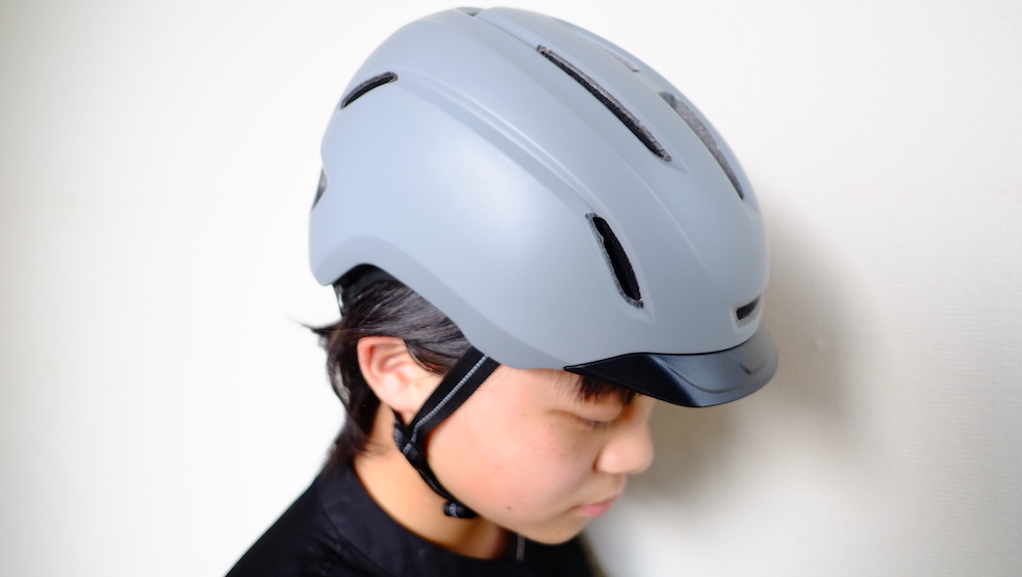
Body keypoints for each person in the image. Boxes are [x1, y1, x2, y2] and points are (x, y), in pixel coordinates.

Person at [227, 7, 777, 577]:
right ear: (400, 370)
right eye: (592, 416)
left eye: (644, 406)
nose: (638, 455)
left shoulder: (521, 518)